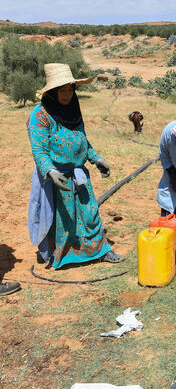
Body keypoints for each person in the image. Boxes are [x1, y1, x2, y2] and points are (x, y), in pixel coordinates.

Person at [27, 63, 122, 269]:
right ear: (52, 91)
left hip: (79, 176)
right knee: (63, 220)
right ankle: (60, 254)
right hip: (56, 177)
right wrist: (51, 171)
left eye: (70, 89)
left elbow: (82, 140)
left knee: (90, 214)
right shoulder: (40, 115)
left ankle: (100, 251)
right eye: (62, 90)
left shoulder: (73, 109)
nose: (67, 94)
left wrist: (96, 158)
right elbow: (39, 149)